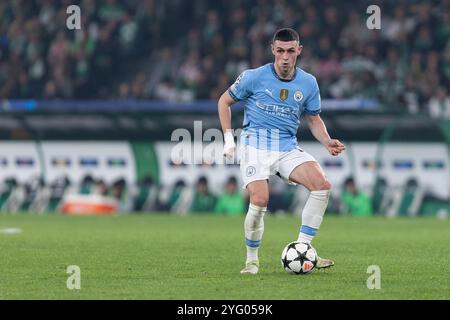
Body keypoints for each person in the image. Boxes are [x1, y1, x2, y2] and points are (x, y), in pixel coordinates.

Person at [218, 28, 346, 275]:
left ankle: (303, 248)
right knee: (259, 199)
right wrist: (227, 139)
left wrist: (327, 141)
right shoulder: (253, 77)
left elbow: (314, 118)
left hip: (286, 147)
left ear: (299, 50)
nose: (285, 57)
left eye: (290, 51)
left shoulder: (308, 83)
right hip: (254, 145)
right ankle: (252, 260)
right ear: (272, 50)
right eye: (280, 51)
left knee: (322, 185)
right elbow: (224, 101)